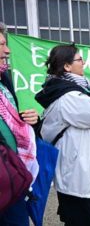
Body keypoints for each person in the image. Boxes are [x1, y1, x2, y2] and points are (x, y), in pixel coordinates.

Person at [35, 44, 90, 226]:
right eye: (79, 59)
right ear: (67, 66)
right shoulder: (67, 95)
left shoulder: (77, 86)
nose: (84, 63)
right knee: (87, 218)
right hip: (80, 171)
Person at [0, 23, 39, 226]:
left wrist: (29, 120)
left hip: (13, 174)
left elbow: (10, 119)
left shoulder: (4, 78)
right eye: (2, 44)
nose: (7, 50)